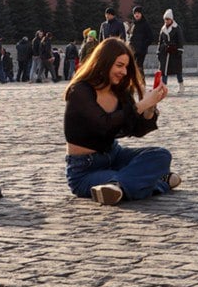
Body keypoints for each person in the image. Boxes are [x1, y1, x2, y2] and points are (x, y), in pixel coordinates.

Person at [63, 37, 179, 205]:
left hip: (115, 155)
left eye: (126, 67)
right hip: (85, 170)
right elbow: (104, 125)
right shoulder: (80, 91)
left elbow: (135, 130)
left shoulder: (119, 91)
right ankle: (155, 182)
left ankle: (124, 185)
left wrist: (150, 108)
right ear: (104, 62)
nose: (124, 72)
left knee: (161, 155)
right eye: (119, 66)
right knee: (116, 179)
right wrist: (142, 103)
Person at [158, 9, 185, 94]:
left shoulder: (177, 28)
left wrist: (180, 49)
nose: (166, 21)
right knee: (164, 71)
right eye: (165, 19)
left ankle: (181, 85)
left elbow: (180, 40)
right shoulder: (162, 29)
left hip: (174, 53)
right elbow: (160, 40)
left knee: (177, 70)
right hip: (165, 53)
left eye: (168, 19)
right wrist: (159, 50)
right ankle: (164, 87)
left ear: (171, 19)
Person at [128, 6, 155, 73]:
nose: (136, 15)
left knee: (139, 66)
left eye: (138, 13)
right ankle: (134, 82)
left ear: (141, 14)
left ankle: (142, 82)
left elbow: (151, 37)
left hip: (141, 50)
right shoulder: (133, 24)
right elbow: (130, 36)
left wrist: (144, 46)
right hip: (133, 50)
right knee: (131, 66)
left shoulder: (145, 24)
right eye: (135, 13)